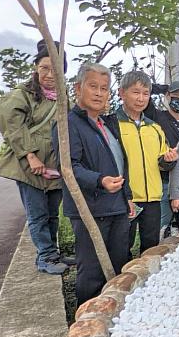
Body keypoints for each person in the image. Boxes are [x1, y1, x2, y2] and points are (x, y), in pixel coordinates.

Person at [55, 62, 135, 306]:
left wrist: (127, 196)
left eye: (104, 88)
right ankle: (86, 323)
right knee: (91, 271)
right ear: (77, 88)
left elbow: (120, 162)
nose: (99, 93)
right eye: (93, 86)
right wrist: (99, 181)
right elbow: (69, 167)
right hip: (91, 208)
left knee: (119, 264)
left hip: (117, 206)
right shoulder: (68, 124)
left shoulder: (107, 124)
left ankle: (113, 316)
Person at [0, 39, 71, 275]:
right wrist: (30, 156)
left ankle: (53, 251)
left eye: (55, 69)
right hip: (31, 166)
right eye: (44, 68)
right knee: (37, 214)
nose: (49, 74)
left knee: (52, 213)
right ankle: (44, 257)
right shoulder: (22, 95)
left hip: (55, 166)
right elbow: (12, 125)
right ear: (36, 68)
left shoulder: (62, 96)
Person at [116, 71, 177, 256]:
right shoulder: (112, 125)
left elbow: (161, 162)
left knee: (150, 248)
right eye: (135, 92)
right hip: (126, 198)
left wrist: (169, 160)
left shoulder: (155, 128)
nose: (141, 98)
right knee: (121, 247)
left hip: (152, 198)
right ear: (122, 93)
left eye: (145, 93)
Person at [144, 80, 179, 235]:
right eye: (176, 96)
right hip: (162, 179)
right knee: (162, 222)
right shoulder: (156, 116)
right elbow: (146, 89)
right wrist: (164, 88)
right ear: (168, 96)